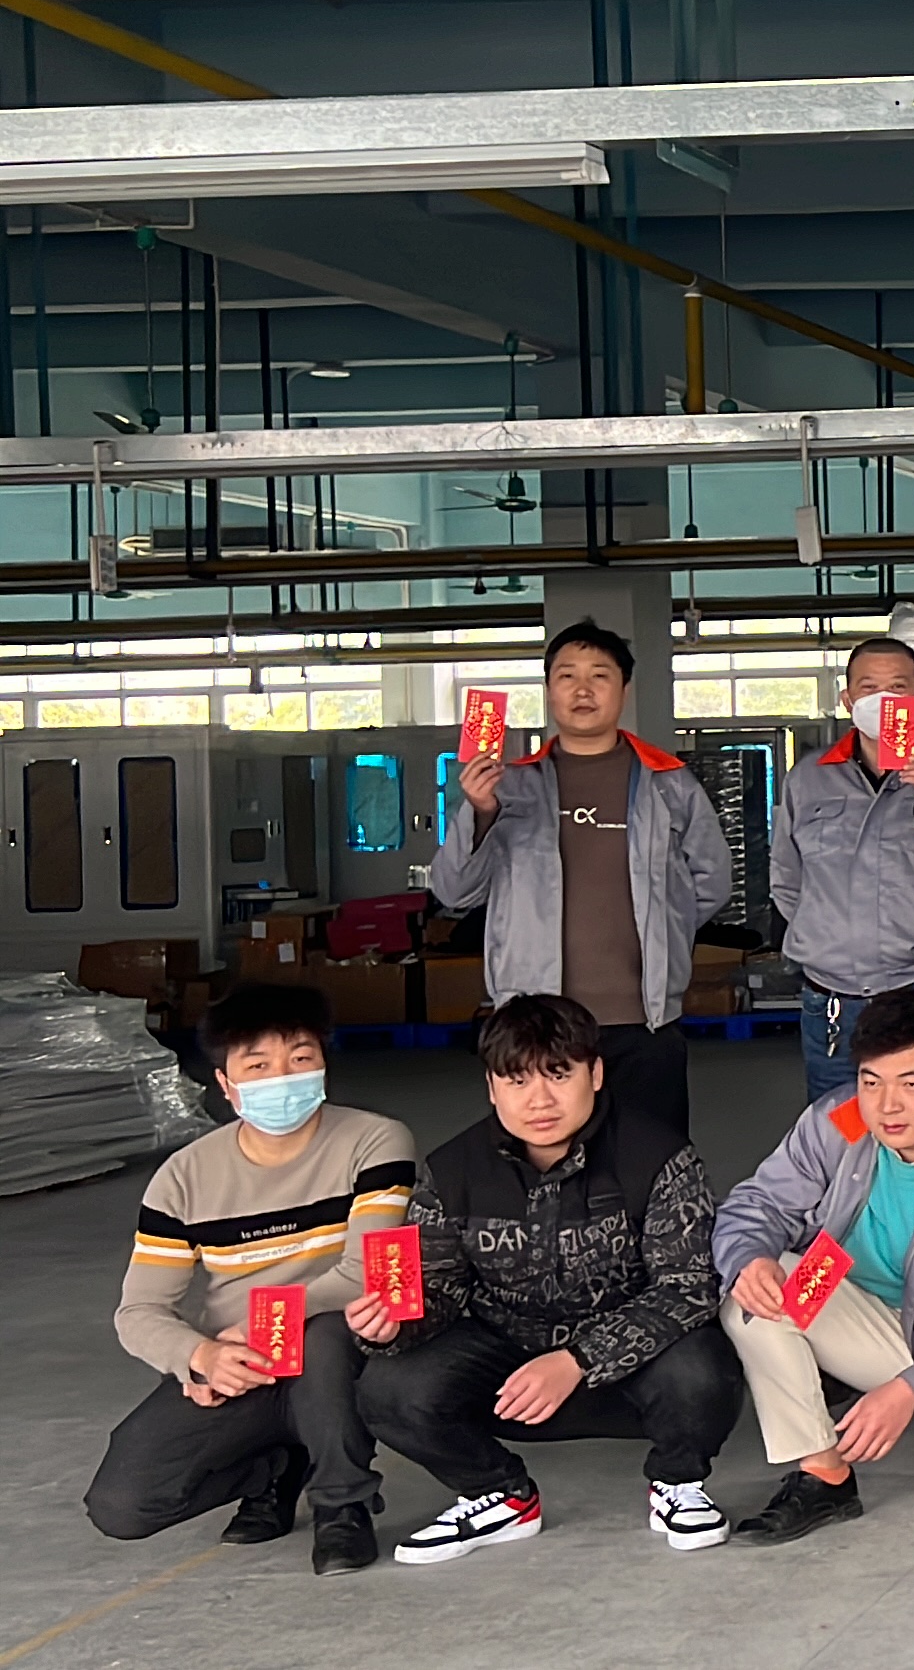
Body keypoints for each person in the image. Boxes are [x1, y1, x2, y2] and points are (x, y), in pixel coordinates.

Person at [353, 992, 744, 1561]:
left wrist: (578, 1360)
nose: (539, 1100)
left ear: (596, 1073)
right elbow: (439, 1287)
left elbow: (687, 1288)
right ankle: (498, 1494)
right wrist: (396, 1324)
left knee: (704, 1368)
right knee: (387, 1388)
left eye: (559, 1075)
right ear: (492, 1088)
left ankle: (677, 1483)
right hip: (509, 1369)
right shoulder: (452, 1169)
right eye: (516, 1081)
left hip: (629, 1370)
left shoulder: (659, 1156)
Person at [87, 984, 415, 1575]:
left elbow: (364, 1273)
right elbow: (139, 1312)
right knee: (124, 1505)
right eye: (258, 1066)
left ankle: (342, 1504)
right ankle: (278, 1467)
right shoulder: (183, 1178)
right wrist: (200, 1357)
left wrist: (265, 1323)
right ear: (226, 1083)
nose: (281, 1078)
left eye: (300, 1057)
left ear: (324, 1063)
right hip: (242, 1363)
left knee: (324, 1334)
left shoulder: (374, 1141)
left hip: (343, 1352)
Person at [710, 989, 914, 1544]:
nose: (887, 1107)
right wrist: (750, 1258)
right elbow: (759, 1203)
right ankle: (824, 1473)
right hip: (862, 1311)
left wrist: (911, 1389)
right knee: (755, 1296)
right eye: (871, 1082)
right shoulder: (841, 1119)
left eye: (912, 1084)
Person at [429, 617, 731, 1136]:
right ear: (549, 691)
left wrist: (664, 929)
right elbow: (454, 890)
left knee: (651, 1156)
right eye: (567, 676)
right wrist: (479, 812)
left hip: (643, 1019)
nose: (583, 689)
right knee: (548, 1156)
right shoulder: (510, 786)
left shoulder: (669, 783)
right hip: (537, 1020)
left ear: (624, 689)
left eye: (600, 676)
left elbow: (712, 881)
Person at [772, 636, 914, 1104]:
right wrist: (828, 935)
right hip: (832, 994)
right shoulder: (809, 778)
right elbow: (788, 882)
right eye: (868, 688)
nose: (882, 700)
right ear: (848, 700)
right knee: (838, 1125)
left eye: (897, 688)